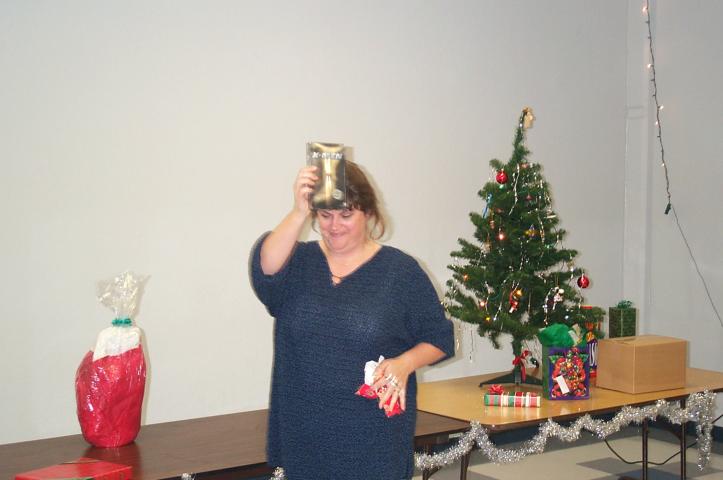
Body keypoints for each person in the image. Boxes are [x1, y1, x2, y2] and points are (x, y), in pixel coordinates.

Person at [249, 161, 454, 480]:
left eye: (346, 215)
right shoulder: (298, 263)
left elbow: (440, 338)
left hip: (373, 442)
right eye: (325, 215)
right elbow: (264, 270)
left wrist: (405, 363)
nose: (334, 226)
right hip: (304, 440)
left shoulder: (400, 273)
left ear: (368, 213)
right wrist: (299, 210)